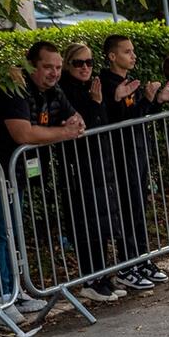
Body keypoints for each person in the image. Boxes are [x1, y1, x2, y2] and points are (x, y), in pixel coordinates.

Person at [0, 42, 83, 321]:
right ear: (31, 66)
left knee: (12, 233)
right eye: (48, 67)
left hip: (11, 171)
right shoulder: (12, 88)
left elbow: (75, 121)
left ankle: (15, 292)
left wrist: (69, 126)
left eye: (58, 67)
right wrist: (62, 133)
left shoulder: (52, 91)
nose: (54, 73)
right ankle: (0, 300)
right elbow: (23, 134)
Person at [100, 34, 169, 292]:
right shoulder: (108, 84)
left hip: (138, 151)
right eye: (126, 52)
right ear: (112, 56)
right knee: (128, 208)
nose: (133, 56)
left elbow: (137, 116)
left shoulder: (126, 82)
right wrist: (143, 99)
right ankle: (127, 264)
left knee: (139, 206)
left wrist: (156, 101)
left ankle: (143, 259)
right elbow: (118, 119)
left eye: (133, 51)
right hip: (121, 156)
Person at [59, 42, 125, 303]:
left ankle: (103, 274)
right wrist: (96, 104)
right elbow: (84, 124)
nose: (85, 68)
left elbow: (105, 121)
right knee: (87, 222)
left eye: (88, 62)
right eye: (78, 63)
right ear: (68, 65)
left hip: (99, 166)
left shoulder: (90, 87)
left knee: (101, 221)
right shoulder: (66, 91)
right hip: (79, 168)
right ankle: (90, 278)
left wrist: (107, 101)